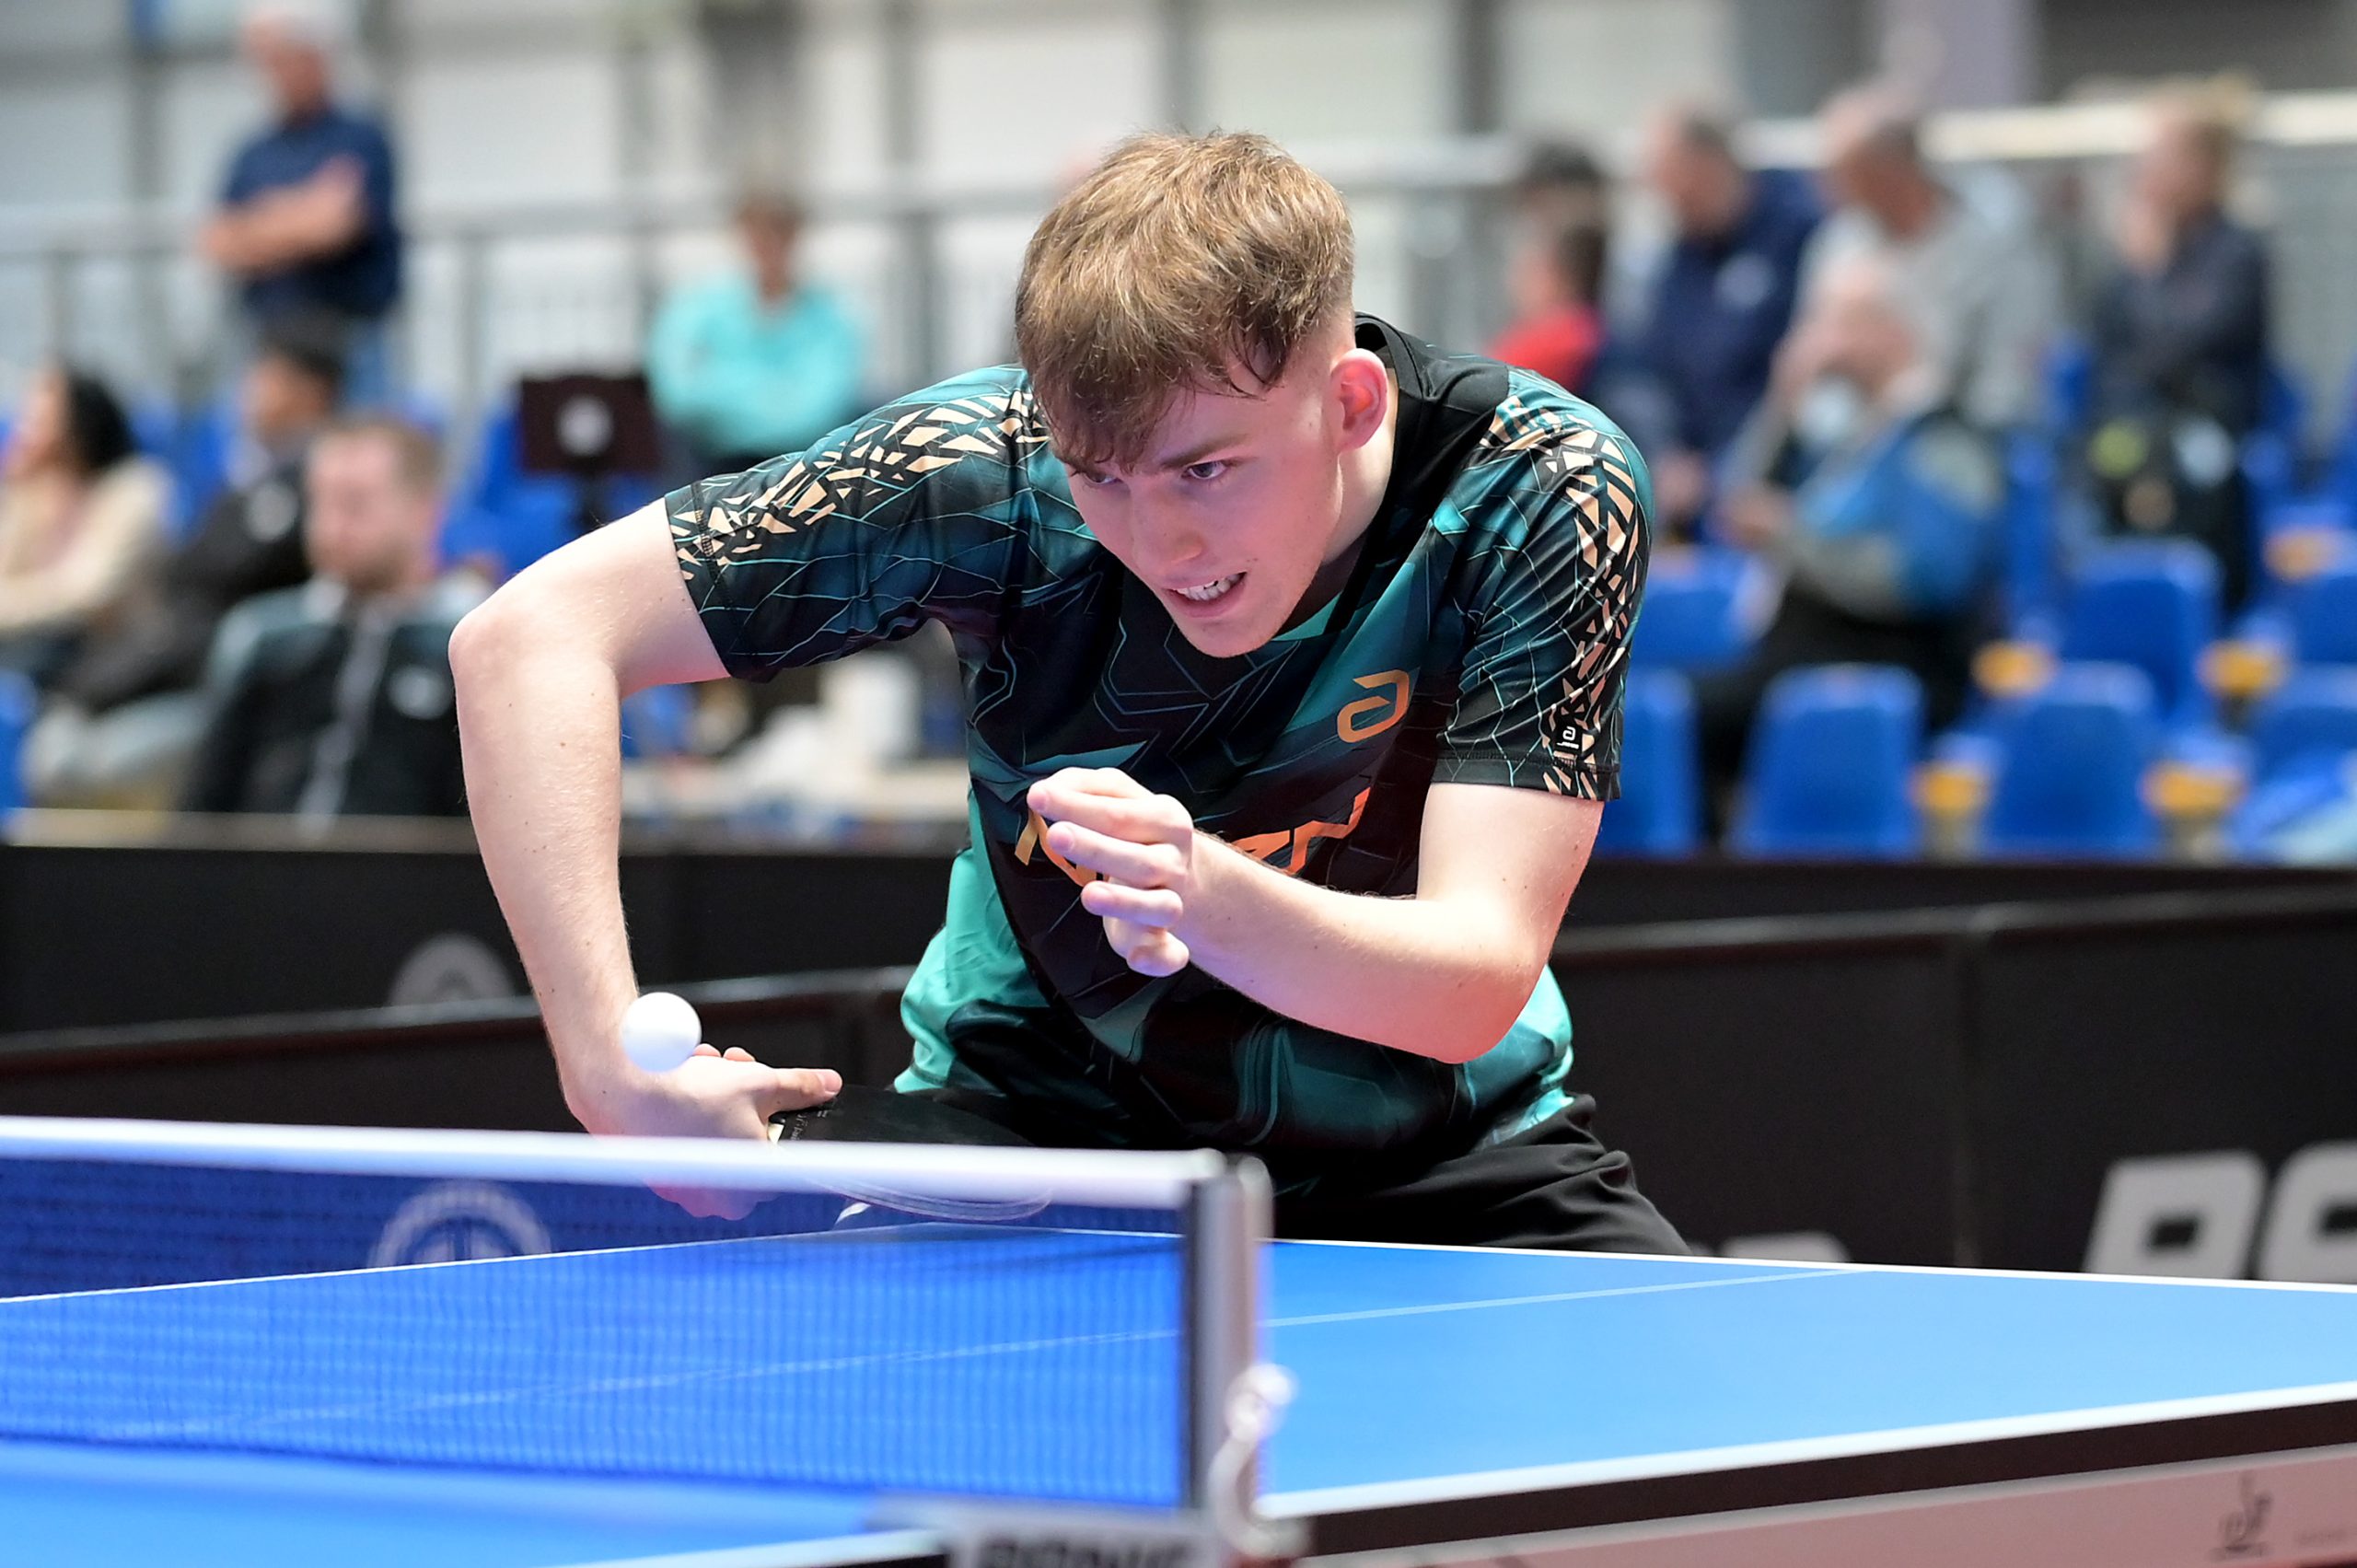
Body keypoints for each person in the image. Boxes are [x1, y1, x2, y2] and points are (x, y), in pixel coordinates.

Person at [454, 132, 1675, 1253]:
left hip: (1443, 1152)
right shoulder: (980, 469)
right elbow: (527, 639)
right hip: (1036, 1144)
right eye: (1103, 476)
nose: (1160, 542)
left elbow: (1471, 984)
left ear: (1347, 404)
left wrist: (1207, 895)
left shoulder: (1540, 489)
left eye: (1205, 469)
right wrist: (604, 1065)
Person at [1697, 254, 2003, 805]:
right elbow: (1737, 498)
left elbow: (1927, 577)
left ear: (1891, 331)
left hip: (1889, 668)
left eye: (1838, 320)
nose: (1820, 339)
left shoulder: (1942, 440)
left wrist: (1792, 537)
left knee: (1671, 718)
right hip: (1800, 664)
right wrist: (1784, 398)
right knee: (1647, 705)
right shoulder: (1850, 439)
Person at [32, 318, 344, 807]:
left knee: (93, 763)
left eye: (265, 376)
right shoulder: (245, 475)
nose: (249, 391)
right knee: (54, 742)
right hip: (165, 668)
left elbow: (222, 572)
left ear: (310, 391)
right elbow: (192, 572)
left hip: (232, 690)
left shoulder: (319, 478)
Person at [182, 416, 472, 819]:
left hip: (402, 858)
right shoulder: (264, 634)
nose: (333, 527)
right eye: (321, 502)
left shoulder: (462, 647)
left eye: (355, 505)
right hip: (265, 855)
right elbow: (204, 802)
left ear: (425, 513)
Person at [2081, 87, 2270, 609]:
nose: (2142, 173)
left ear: (2203, 168)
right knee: (2096, 456)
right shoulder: (2133, 258)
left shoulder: (2236, 254)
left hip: (2206, 453)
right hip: (2127, 442)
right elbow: (2108, 362)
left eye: (2157, 158)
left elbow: (2170, 353)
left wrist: (2150, 271)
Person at [1803, 84, 2054, 435]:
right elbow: (1811, 372)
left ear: (1892, 170)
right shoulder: (1840, 246)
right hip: (1857, 448)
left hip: (1967, 441)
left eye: (1844, 174)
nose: (1827, 189)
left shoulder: (1994, 241)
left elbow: (2011, 376)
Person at [1630, 104, 1820, 537]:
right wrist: (1666, 453)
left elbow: (1794, 370)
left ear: (1707, 164)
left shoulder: (1798, 229)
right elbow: (1650, 368)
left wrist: (1728, 470)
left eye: (1673, 181)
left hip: (1779, 472)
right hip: (1692, 480)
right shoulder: (1678, 254)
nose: (1666, 200)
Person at [200, 0, 401, 404]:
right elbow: (217, 242)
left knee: (356, 438)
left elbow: (335, 226)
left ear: (315, 56)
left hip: (347, 341)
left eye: (280, 57)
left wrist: (259, 224)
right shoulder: (253, 151)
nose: (269, 72)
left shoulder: (360, 136)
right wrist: (301, 214)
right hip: (270, 341)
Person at [646, 191, 866, 476]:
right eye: (759, 233)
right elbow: (679, 397)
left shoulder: (831, 314)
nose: (769, 245)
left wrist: (725, 385)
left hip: (801, 469)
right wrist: (778, 395)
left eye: (779, 231)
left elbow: (824, 409)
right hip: (712, 467)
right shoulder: (696, 306)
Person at [0, 368, 169, 690]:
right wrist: (14, 489)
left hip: (115, 660)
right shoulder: (36, 492)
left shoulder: (135, 491)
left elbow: (85, 597)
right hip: (39, 649)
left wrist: (4, 608)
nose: (22, 431)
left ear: (77, 428)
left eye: (37, 421)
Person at [1487, 217, 1608, 397]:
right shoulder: (1593, 328)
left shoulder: (1556, 338)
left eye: (1527, 269)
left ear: (1557, 274)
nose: (1513, 283)